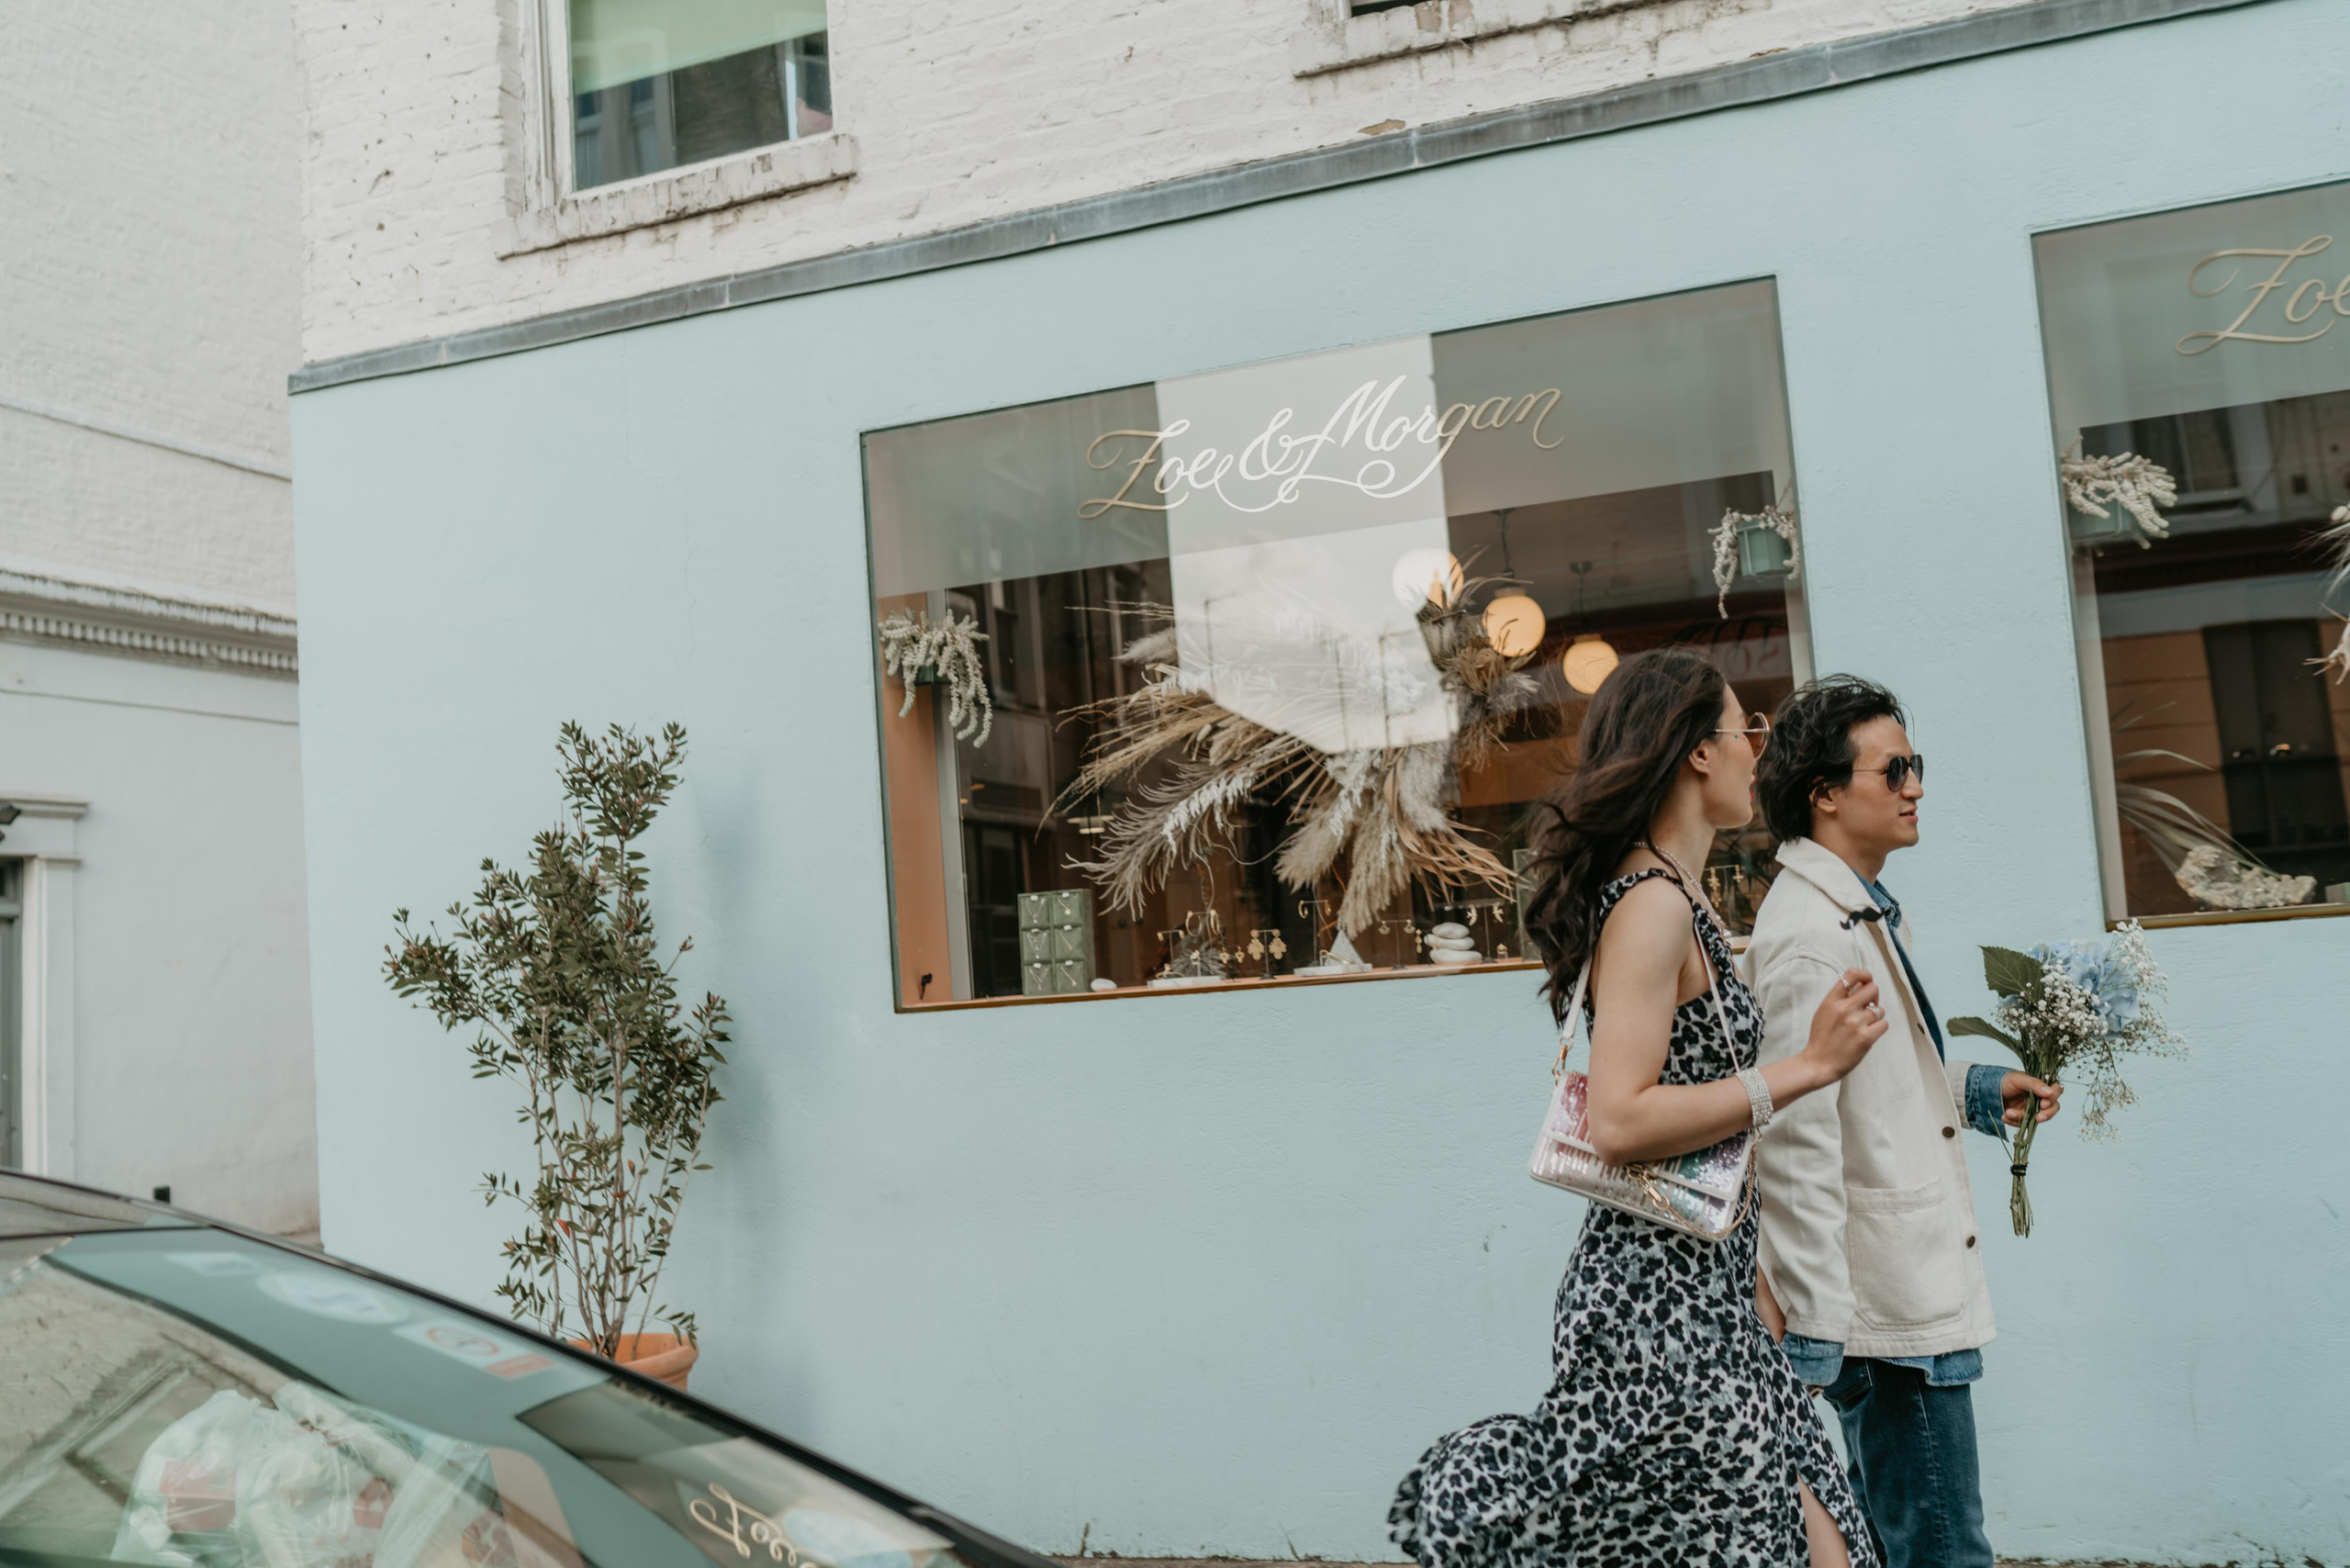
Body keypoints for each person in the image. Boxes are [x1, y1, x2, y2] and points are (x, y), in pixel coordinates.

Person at [1390, 648, 1890, 1568]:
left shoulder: (1683, 897)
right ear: (1697, 752)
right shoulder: (1652, 904)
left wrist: (1755, 1288)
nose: (1756, 749)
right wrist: (1803, 1067)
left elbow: (1700, 1125)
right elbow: (1618, 1119)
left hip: (1707, 1298)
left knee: (1813, 1542)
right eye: (1747, 729)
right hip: (1651, 1313)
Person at [1747, 675, 2064, 1568]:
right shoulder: (1814, 933)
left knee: (1916, 1542)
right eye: (1894, 770)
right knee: (1939, 1548)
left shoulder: (1860, 913)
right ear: (1824, 793)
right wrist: (1812, 1335)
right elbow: (1797, 1136)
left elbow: (1873, 1088)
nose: (1915, 785)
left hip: (1901, 1287)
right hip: (1883, 1309)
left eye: (1914, 766)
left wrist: (1975, 1090)